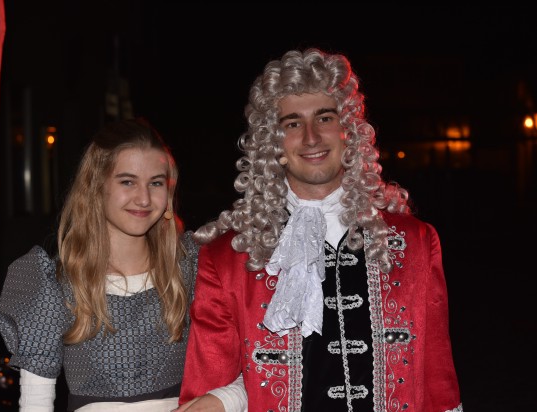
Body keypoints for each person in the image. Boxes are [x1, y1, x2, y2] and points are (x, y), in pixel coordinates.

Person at [177, 48, 463, 412]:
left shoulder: (415, 242)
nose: (311, 137)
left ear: (348, 132)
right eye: (292, 124)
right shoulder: (228, 258)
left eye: (324, 118)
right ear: (274, 143)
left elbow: (438, 379)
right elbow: (208, 390)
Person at [0, 118, 200, 412]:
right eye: (127, 181)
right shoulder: (54, 283)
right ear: (96, 186)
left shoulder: (192, 268)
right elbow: (36, 405)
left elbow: (244, 367)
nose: (143, 198)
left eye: (155, 183)